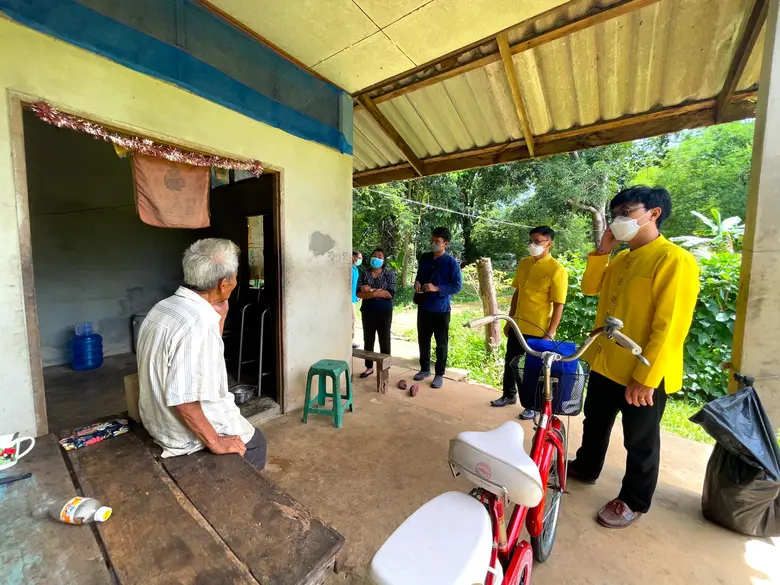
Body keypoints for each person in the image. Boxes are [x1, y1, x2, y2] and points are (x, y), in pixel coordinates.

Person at [568, 186, 699, 529]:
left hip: (642, 373)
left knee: (639, 440)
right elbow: (589, 289)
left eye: (628, 210)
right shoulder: (622, 258)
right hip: (606, 362)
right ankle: (586, 467)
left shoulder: (674, 259)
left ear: (653, 213)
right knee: (594, 422)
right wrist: (602, 251)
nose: (620, 219)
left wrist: (647, 378)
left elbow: (670, 326)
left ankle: (634, 500)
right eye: (617, 213)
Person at [137, 238, 267, 470]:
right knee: (256, 444)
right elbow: (185, 399)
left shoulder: (164, 307)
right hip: (180, 435)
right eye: (235, 276)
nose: (237, 281)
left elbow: (203, 356)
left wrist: (221, 316)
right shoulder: (197, 322)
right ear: (223, 284)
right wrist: (216, 442)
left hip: (156, 420)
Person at [490, 226, 568, 420]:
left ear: (549, 243)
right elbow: (517, 293)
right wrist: (509, 319)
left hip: (538, 328)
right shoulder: (524, 263)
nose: (533, 244)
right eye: (531, 240)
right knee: (511, 362)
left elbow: (559, 305)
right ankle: (508, 395)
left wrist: (550, 332)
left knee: (533, 368)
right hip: (518, 324)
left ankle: (532, 405)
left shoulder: (556, 270)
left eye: (538, 241)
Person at [414, 227, 463, 389]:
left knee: (441, 343)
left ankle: (439, 374)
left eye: (437, 241)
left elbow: (457, 286)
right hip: (424, 306)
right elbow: (419, 275)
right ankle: (424, 369)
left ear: (445, 244)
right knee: (423, 340)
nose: (433, 243)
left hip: (441, 309)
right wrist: (417, 282)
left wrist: (437, 288)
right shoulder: (425, 258)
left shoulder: (451, 263)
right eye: (432, 239)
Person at [357, 248, 396, 378]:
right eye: (374, 255)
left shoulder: (389, 274)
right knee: (368, 339)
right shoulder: (364, 273)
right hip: (368, 311)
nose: (376, 258)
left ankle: (384, 368)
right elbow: (359, 293)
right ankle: (369, 367)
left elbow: (390, 294)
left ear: (384, 260)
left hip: (384, 312)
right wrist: (379, 292)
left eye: (380, 256)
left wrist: (371, 292)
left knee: (384, 339)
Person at [352, 250, 363, 349]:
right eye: (359, 258)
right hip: (348, 299)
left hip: (353, 298)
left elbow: (356, 284)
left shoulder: (355, 269)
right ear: (353, 257)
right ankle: (350, 340)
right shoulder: (348, 269)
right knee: (352, 319)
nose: (360, 260)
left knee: (353, 319)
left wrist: (358, 295)